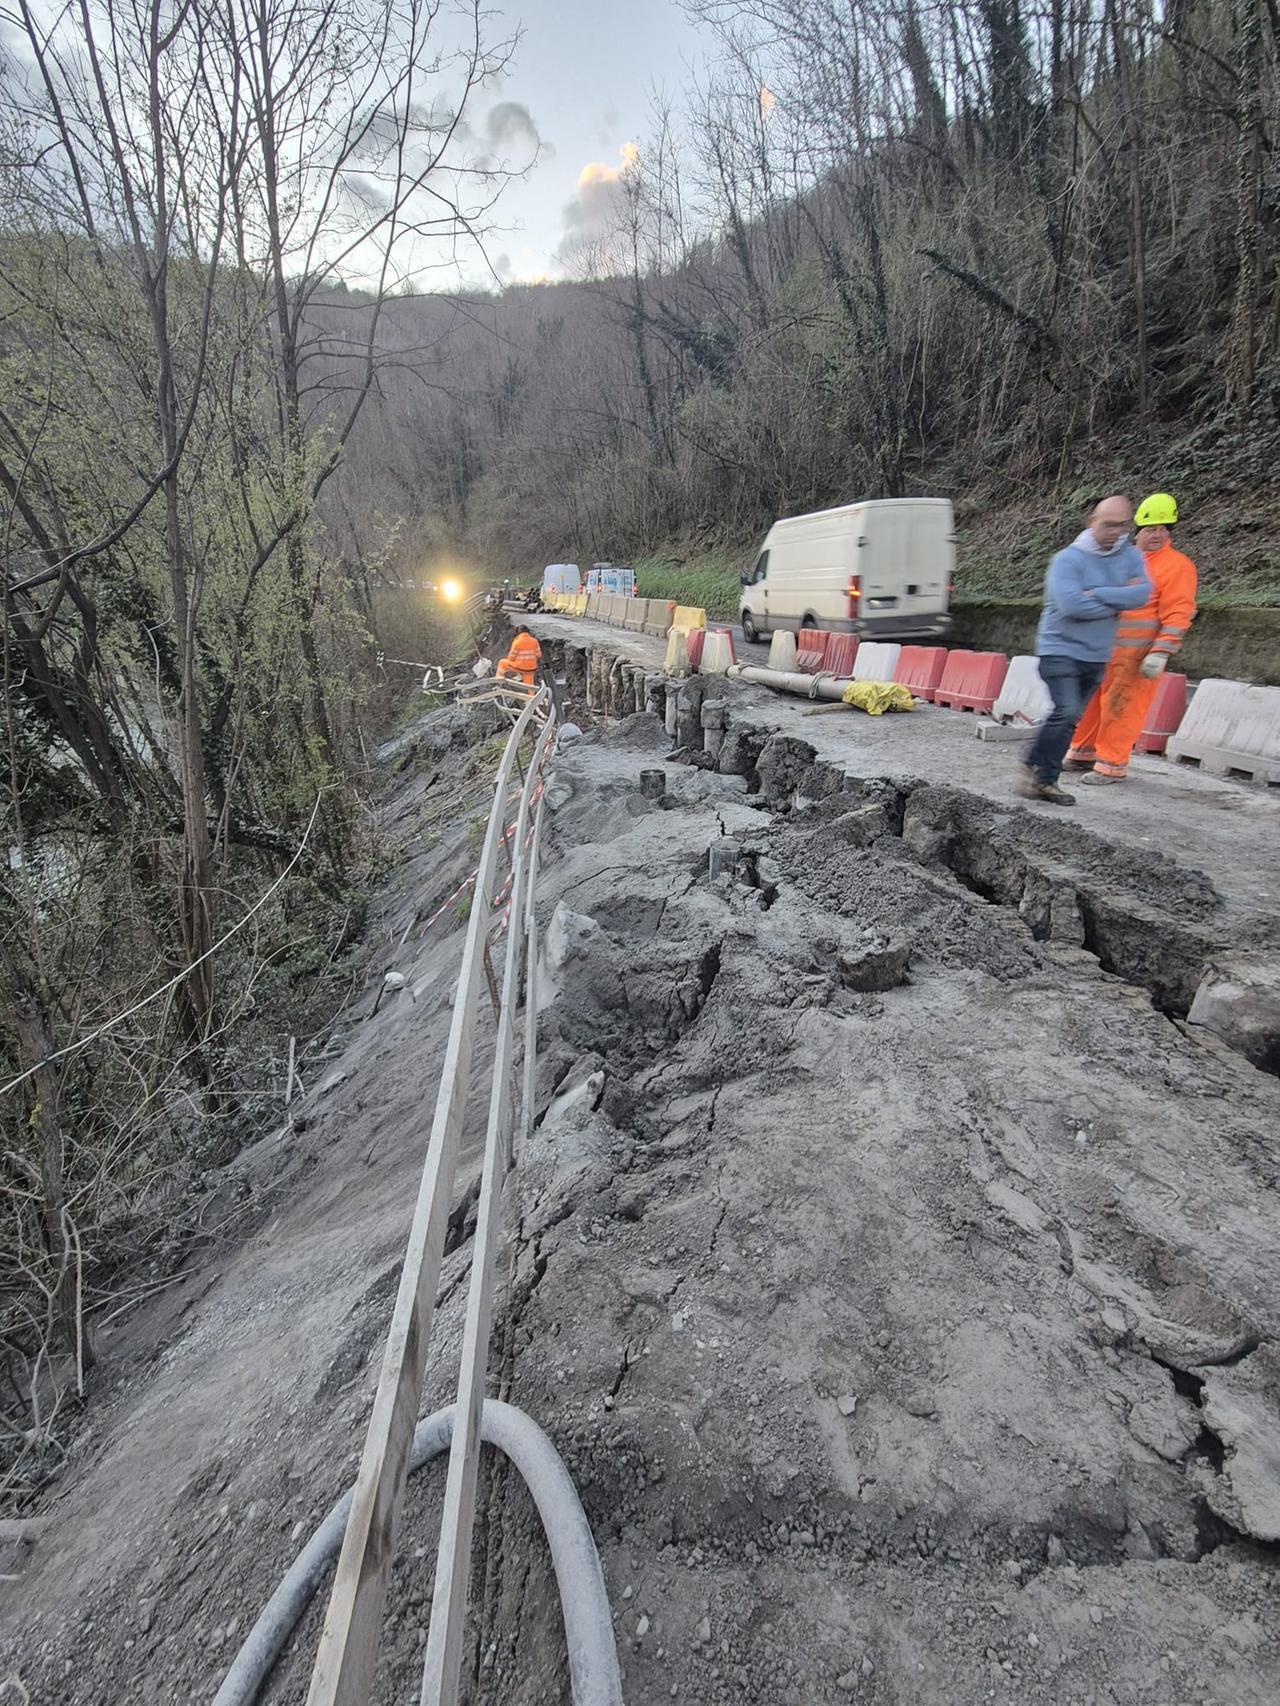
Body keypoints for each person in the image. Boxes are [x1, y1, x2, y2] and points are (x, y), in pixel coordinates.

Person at [1019, 495, 1152, 805]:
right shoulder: (1068, 560)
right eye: (1108, 525)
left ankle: (1038, 773)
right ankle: (1042, 773)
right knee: (1067, 711)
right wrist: (1117, 600)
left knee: (1070, 717)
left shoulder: (1131, 556)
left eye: (1122, 526)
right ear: (1092, 522)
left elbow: (1142, 594)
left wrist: (1099, 593)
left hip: (1096, 654)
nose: (1115, 532)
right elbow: (1071, 604)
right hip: (1059, 650)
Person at [1064, 492, 1198, 785]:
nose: (1157, 535)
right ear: (1138, 530)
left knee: (1121, 708)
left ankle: (1112, 764)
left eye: (1164, 529)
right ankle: (1082, 751)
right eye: (1151, 529)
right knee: (1091, 702)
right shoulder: (1123, 558)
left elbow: (1178, 612)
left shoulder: (1176, 566)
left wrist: (1160, 652)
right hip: (1104, 648)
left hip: (1136, 657)